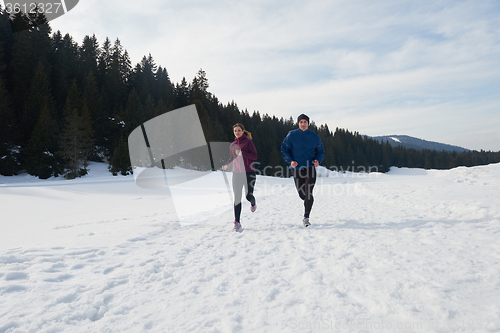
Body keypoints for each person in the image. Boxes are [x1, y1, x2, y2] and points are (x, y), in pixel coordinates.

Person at [281, 114, 325, 227]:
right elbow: (284, 149)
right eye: (301, 122)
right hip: (297, 169)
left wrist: (317, 160)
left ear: (308, 124)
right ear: (298, 123)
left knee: (309, 192)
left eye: (305, 122)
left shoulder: (314, 136)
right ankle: (307, 203)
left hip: (310, 168)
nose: (303, 124)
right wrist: (290, 161)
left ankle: (306, 217)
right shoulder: (291, 135)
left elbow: (321, 151)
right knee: (302, 194)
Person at [222, 123, 258, 232]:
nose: (237, 132)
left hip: (249, 173)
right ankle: (237, 222)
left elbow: (254, 156)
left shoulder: (248, 142)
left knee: (248, 196)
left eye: (239, 130)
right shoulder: (232, 145)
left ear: (243, 131)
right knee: (237, 197)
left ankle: (253, 202)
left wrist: (242, 153)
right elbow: (232, 157)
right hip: (236, 173)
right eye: (235, 131)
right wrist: (227, 165)